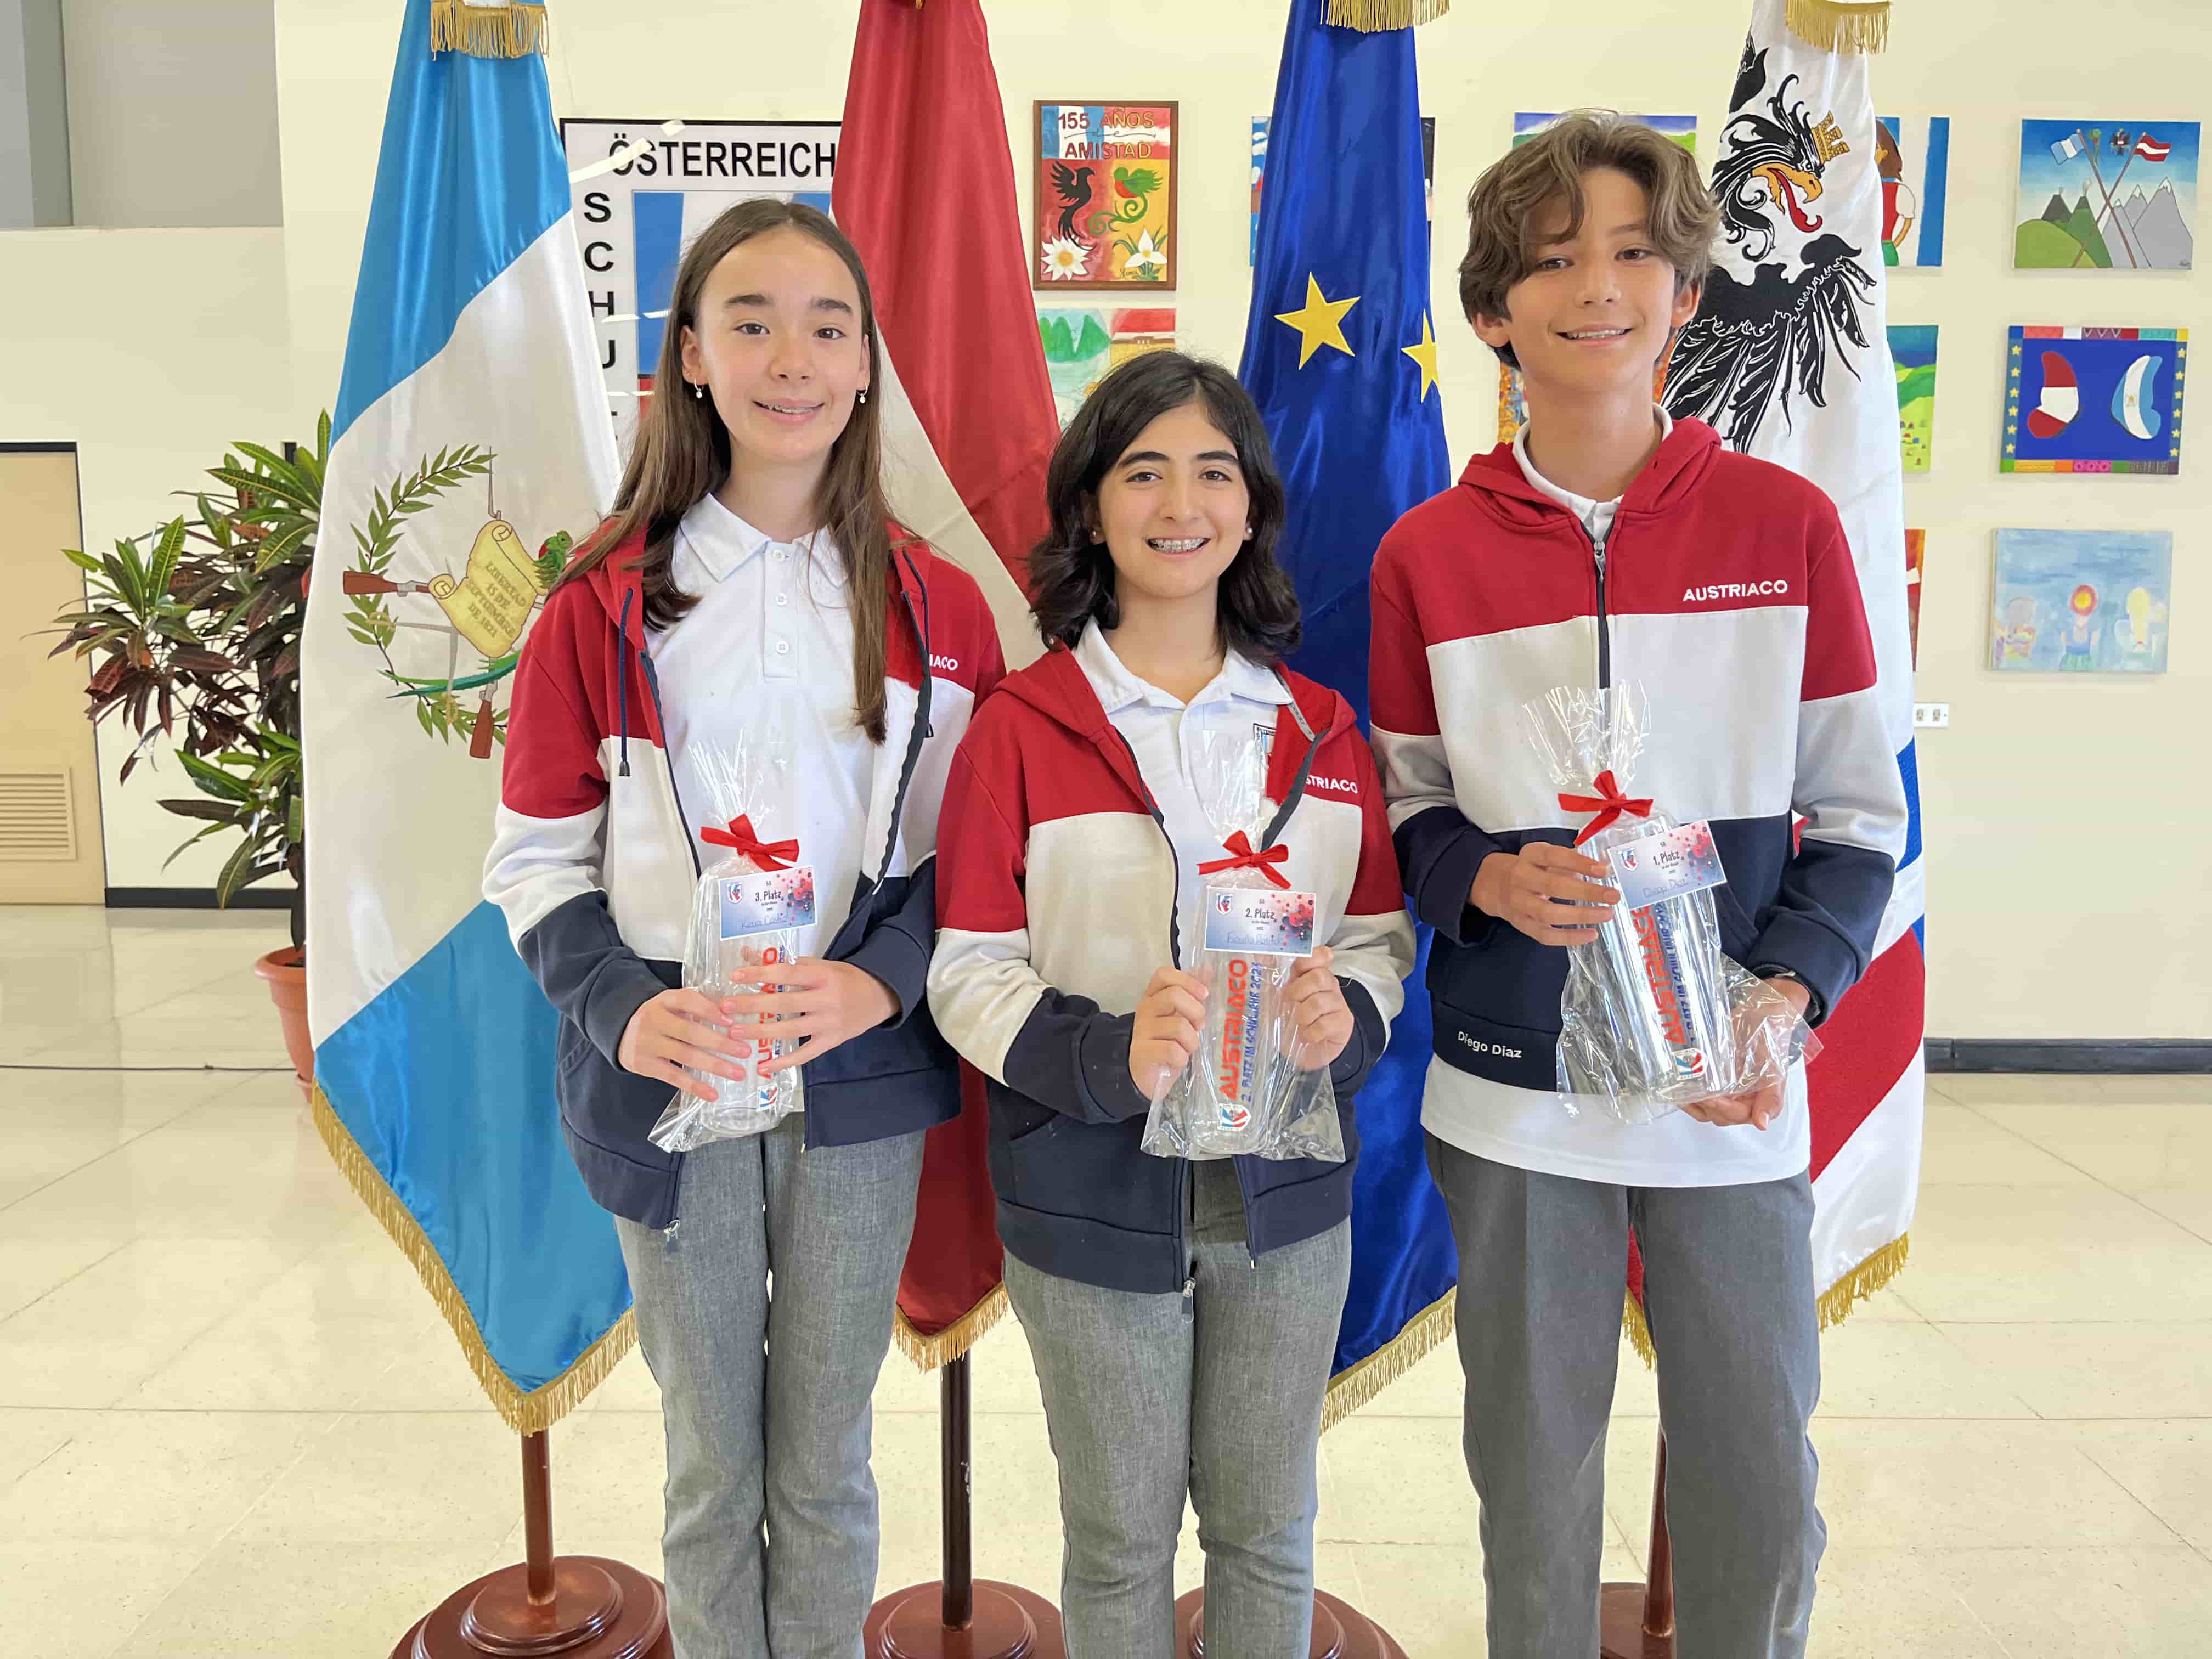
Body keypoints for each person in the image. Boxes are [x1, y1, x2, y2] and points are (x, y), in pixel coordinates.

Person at [1367, 112, 1909, 1657]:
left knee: (1755, 1469)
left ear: (1685, 291)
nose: (1594, 286)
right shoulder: (1427, 555)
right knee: (1532, 1474)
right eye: (1551, 261)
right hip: (1514, 1093)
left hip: (1730, 1089)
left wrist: (1787, 994)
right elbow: (1408, 814)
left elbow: (1860, 819)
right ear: (1493, 311)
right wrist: (1487, 882)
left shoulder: (1786, 529)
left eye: (1629, 253)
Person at [483, 198, 1003, 1659]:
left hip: (858, 1082)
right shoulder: (600, 607)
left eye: (829, 327)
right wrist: (621, 1005)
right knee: (712, 1464)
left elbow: (971, 864)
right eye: (752, 323)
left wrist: (878, 984)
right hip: (675, 1070)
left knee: (827, 1460)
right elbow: (534, 859)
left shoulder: (941, 607)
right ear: (693, 359)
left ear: (865, 364)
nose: (794, 359)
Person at [926, 351, 1414, 1658]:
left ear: (1251, 509)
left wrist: (1348, 1018)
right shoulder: (1021, 727)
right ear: (1091, 508)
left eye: (1213, 472)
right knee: (1120, 1539)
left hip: (1287, 1198)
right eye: (1143, 472)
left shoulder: (1324, 732)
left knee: (1268, 1530)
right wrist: (1105, 1054)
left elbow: (1376, 941)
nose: (1181, 503)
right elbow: (966, 967)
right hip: (1087, 1192)